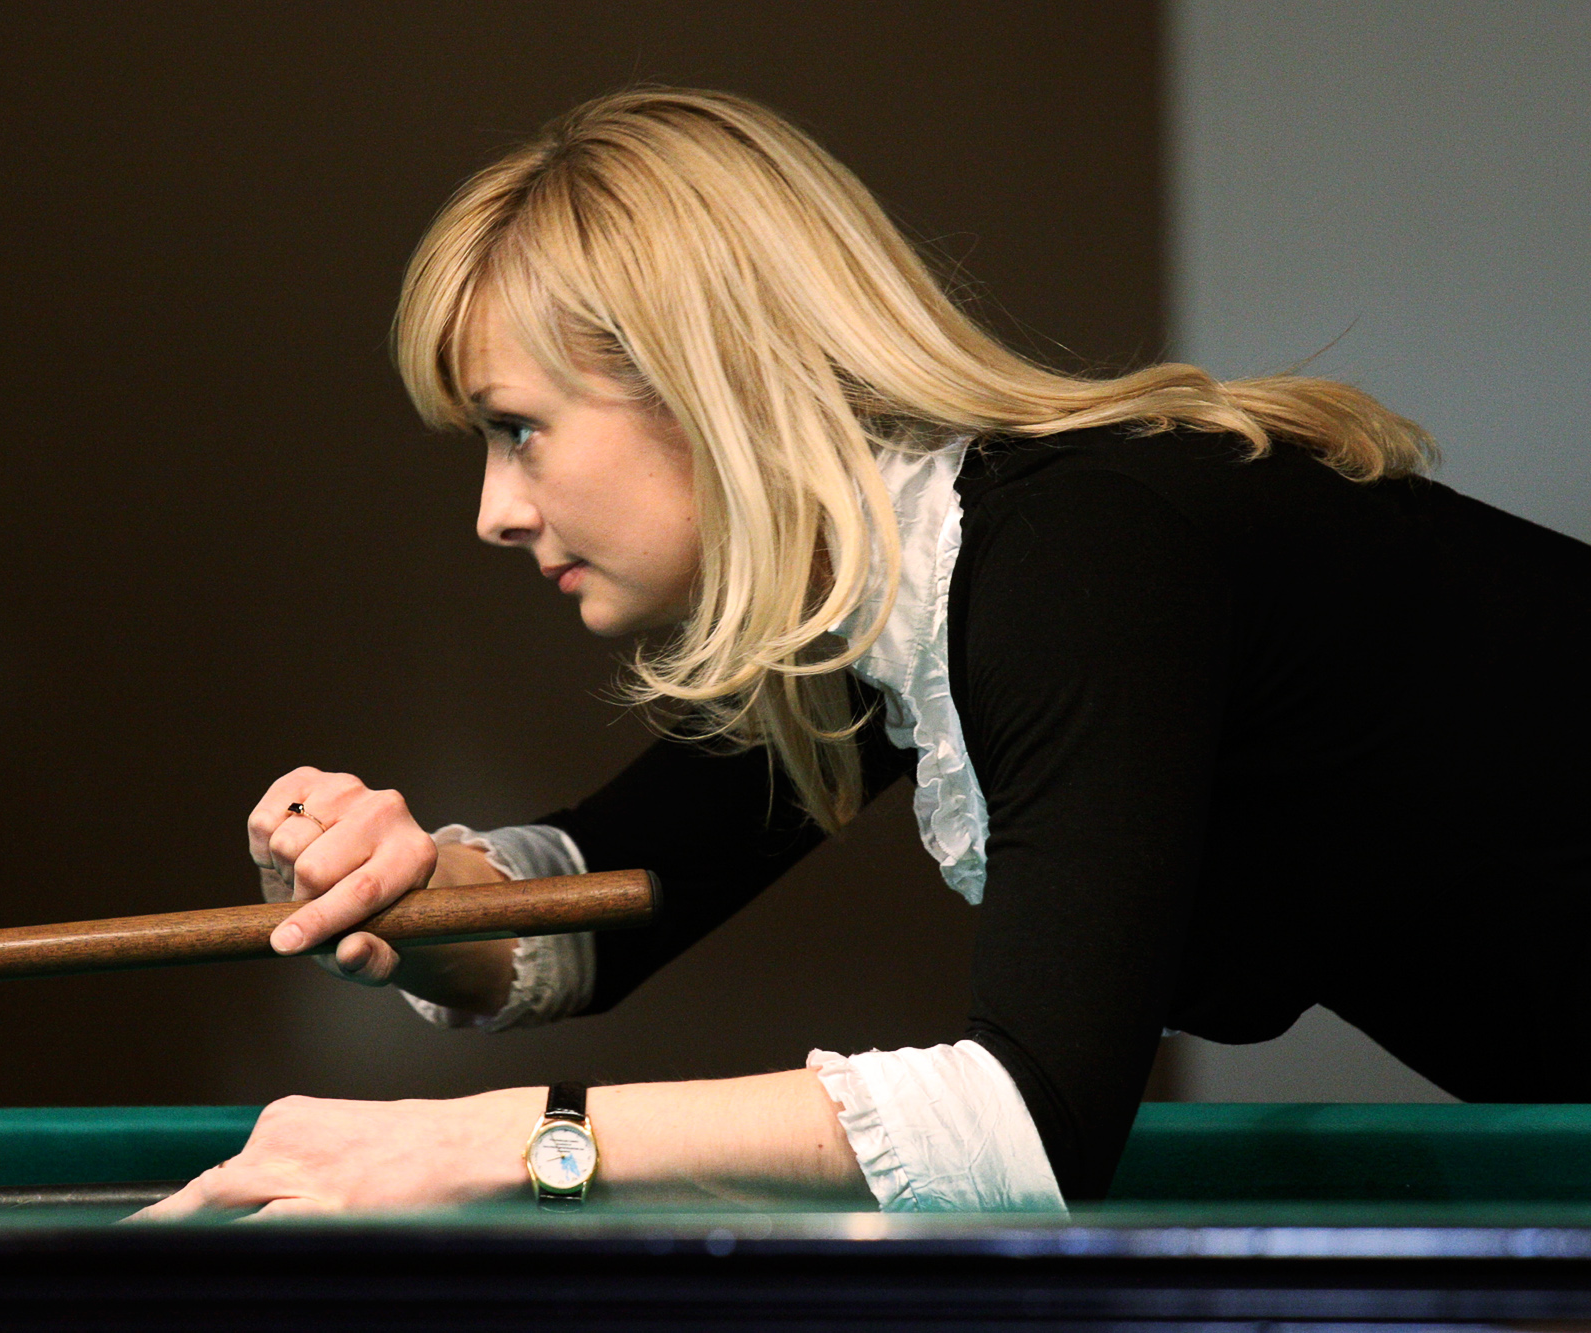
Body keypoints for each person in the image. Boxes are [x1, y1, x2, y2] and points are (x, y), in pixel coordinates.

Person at [138, 88, 1591, 1219]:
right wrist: (410, 894)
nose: (495, 510)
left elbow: (1028, 1125)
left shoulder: (1068, 559)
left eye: (519, 428)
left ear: (707, 380)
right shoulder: (889, 596)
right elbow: (603, 907)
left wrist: (499, 1141)